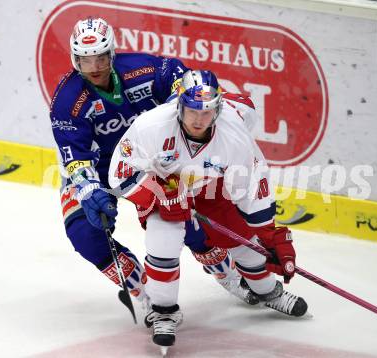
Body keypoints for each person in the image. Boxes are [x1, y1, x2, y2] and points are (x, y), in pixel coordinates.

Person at [50, 17, 259, 323]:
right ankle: (146, 296)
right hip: (100, 167)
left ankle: (228, 275)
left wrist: (173, 130)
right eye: (84, 60)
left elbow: (181, 80)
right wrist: (89, 189)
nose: (93, 67)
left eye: (100, 58)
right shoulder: (67, 101)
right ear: (74, 59)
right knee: (85, 235)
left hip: (150, 161)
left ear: (112, 53)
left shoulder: (143, 69)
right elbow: (76, 158)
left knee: (188, 221)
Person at [108, 70, 308, 348]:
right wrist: (157, 192)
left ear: (218, 108)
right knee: (162, 241)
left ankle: (267, 291)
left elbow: (251, 187)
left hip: (212, 190)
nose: (199, 119)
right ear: (179, 105)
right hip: (166, 190)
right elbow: (120, 172)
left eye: (207, 111)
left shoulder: (234, 136)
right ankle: (163, 312)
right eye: (192, 110)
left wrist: (268, 234)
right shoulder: (151, 126)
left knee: (245, 241)